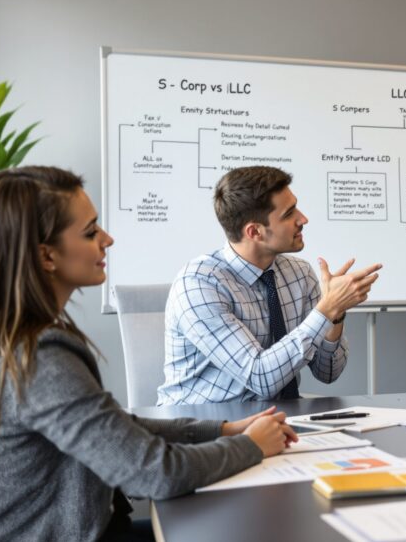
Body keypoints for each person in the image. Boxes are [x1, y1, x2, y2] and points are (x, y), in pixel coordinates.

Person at [0, 167, 298, 542]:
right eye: (91, 231)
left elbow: (113, 428)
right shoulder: (39, 357)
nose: (107, 240)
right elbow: (153, 474)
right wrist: (251, 446)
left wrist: (223, 430)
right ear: (46, 256)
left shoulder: (3, 340)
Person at [159, 166, 381, 405]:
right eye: (289, 214)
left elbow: (328, 372)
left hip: (276, 420)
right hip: (203, 427)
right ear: (255, 232)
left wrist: (335, 315)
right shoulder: (198, 285)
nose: (303, 219)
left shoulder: (299, 273)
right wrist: (326, 309)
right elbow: (260, 377)